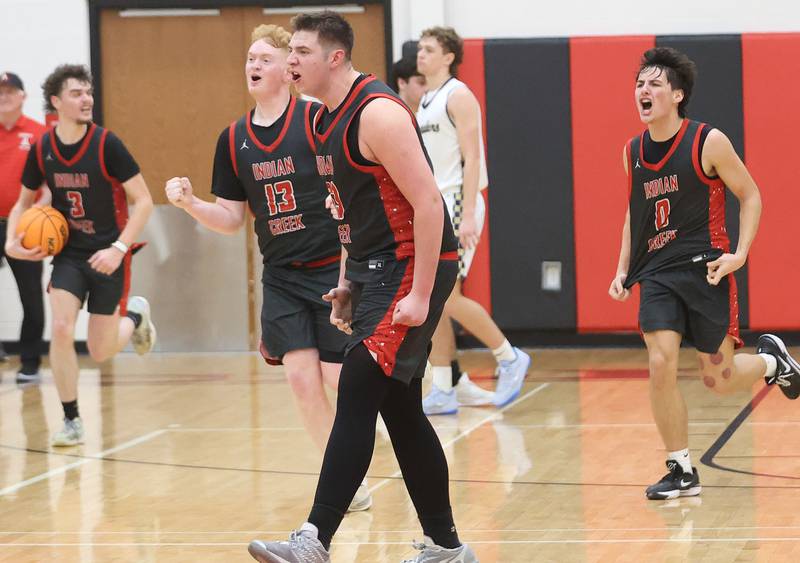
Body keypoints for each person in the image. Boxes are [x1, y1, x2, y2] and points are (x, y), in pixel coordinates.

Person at [247, 11, 478, 563]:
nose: (290, 61)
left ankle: (314, 539)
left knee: (354, 389)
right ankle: (447, 548)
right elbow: (351, 210)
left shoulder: (376, 114)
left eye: (300, 52)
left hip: (413, 266)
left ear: (334, 58)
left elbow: (428, 206)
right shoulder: (322, 119)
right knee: (399, 409)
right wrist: (349, 279)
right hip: (377, 267)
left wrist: (421, 295)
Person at [164, 23, 371, 513]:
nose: (253, 65)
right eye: (249, 58)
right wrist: (192, 204)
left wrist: (352, 268)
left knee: (341, 379)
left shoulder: (317, 119)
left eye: (265, 58)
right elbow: (232, 219)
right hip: (281, 275)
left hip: (332, 269)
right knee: (301, 379)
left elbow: (351, 194)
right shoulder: (234, 139)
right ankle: (347, 485)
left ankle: (391, 410)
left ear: (288, 69)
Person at [609, 47, 800, 501]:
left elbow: (750, 195)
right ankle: (680, 469)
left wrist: (740, 253)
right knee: (660, 363)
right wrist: (622, 269)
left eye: (654, 84)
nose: (644, 90)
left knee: (719, 380)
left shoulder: (707, 141)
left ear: (676, 95)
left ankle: (773, 363)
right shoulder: (632, 151)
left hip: (705, 271)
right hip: (655, 274)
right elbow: (634, 215)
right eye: (639, 83)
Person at [4, 64, 156, 446]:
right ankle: (71, 419)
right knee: (60, 328)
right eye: (77, 93)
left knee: (100, 350)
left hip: (108, 253)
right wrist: (11, 243)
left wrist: (119, 248)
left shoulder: (107, 144)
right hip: (70, 255)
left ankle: (135, 316)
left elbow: (144, 201)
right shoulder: (43, 148)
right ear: (56, 101)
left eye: (88, 92)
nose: (86, 98)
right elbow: (23, 205)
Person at [415, 27, 530, 415]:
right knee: (435, 301)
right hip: (435, 207)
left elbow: (472, 156)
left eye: (429, 49)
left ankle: (509, 356)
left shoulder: (458, 95)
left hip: (457, 205)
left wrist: (464, 215)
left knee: (449, 295)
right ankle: (445, 386)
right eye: (420, 49)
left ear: (449, 56)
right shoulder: (425, 100)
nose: (421, 55)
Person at [0, 72, 46, 383]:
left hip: (26, 225)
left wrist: (43, 210)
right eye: (0, 91)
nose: (4, 96)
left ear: (23, 96)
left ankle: (30, 362)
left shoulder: (39, 134)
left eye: (10, 90)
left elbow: (52, 180)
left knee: (30, 295)